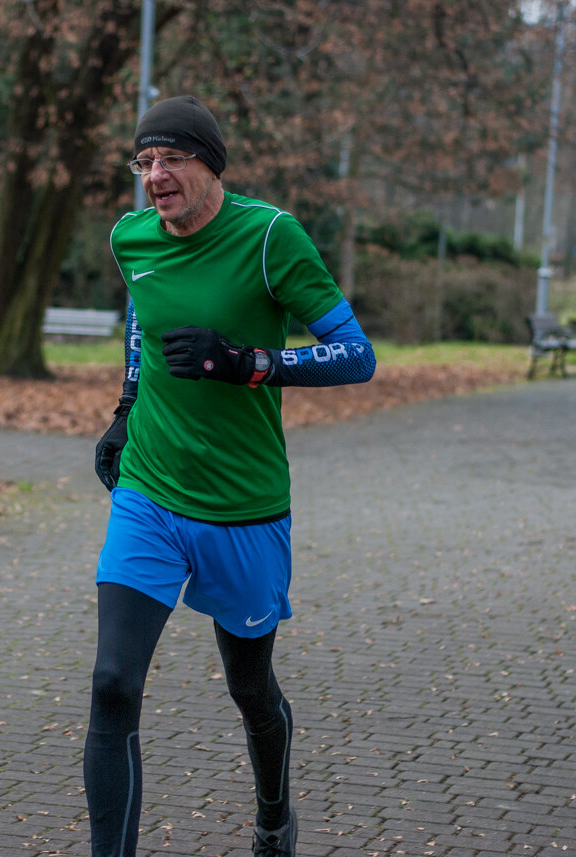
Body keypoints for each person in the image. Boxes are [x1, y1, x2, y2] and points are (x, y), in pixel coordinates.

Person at [85, 95, 377, 857]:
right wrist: (125, 406)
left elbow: (356, 354)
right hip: (149, 490)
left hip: (243, 506)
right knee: (113, 685)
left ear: (211, 164)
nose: (155, 175)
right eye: (144, 162)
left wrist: (250, 364)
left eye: (172, 158)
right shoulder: (130, 238)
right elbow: (143, 317)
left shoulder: (270, 237)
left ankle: (274, 812)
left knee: (250, 690)